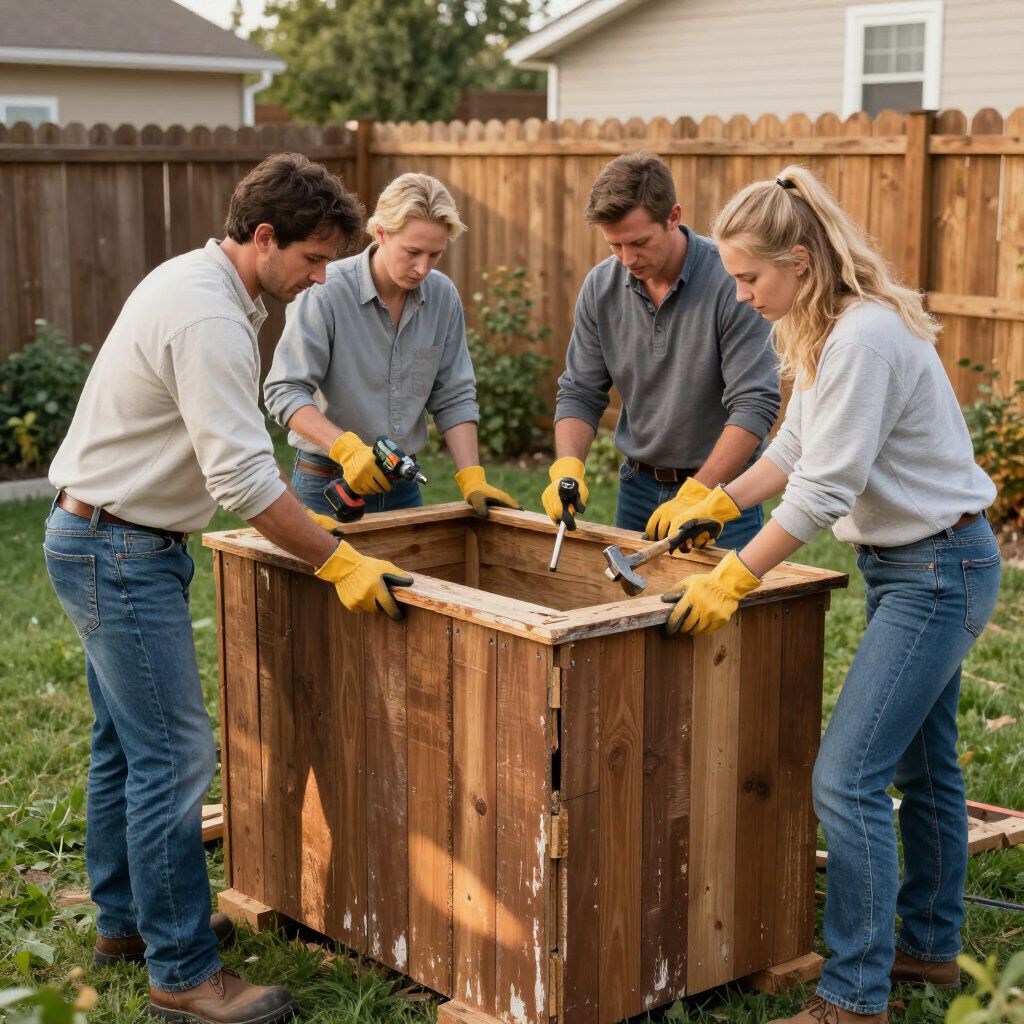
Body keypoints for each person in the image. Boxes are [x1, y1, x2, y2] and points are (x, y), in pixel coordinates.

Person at [44, 154, 414, 1024]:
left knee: (122, 749)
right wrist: (342, 560)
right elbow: (244, 480)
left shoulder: (201, 284)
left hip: (103, 534)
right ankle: (182, 973)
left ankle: (128, 923)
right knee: (174, 760)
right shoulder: (209, 314)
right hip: (119, 549)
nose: (321, 278)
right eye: (314, 259)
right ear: (263, 238)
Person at [660, 166, 1001, 1024]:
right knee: (927, 767)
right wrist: (717, 502)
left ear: (801, 260)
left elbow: (822, 492)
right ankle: (925, 946)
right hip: (911, 567)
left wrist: (739, 573)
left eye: (750, 277)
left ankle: (853, 996)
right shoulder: (822, 330)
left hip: (939, 569)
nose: (740, 295)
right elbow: (793, 452)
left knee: (846, 779)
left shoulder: (864, 340)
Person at [540, 151, 780, 547]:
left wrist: (699, 492)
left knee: (719, 607)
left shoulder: (732, 283)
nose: (627, 258)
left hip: (719, 491)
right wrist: (568, 467)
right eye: (615, 245)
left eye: (638, 242)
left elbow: (755, 405)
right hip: (637, 488)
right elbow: (581, 392)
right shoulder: (601, 287)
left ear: (673, 217)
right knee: (634, 608)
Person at [264, 171, 520, 522]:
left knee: (408, 580)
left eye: (435, 255)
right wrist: (348, 450)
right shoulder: (326, 293)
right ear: (380, 233)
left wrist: (472, 477)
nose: (423, 268)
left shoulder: (442, 296)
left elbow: (454, 395)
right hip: (328, 486)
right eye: (413, 252)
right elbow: (285, 390)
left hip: (402, 486)